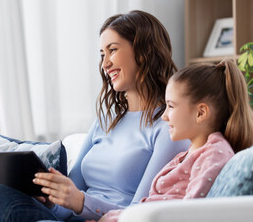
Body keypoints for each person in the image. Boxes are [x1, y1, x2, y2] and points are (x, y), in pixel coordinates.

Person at [0, 10, 190, 222]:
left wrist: (81, 202)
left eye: (113, 50)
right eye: (102, 54)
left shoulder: (169, 127)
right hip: (74, 217)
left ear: (144, 51)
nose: (105, 63)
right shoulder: (105, 121)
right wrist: (51, 198)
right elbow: (70, 196)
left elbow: (141, 211)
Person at [96, 59, 253, 222]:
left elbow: (190, 212)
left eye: (171, 106)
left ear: (201, 113)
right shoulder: (190, 153)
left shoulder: (214, 154)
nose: (164, 116)